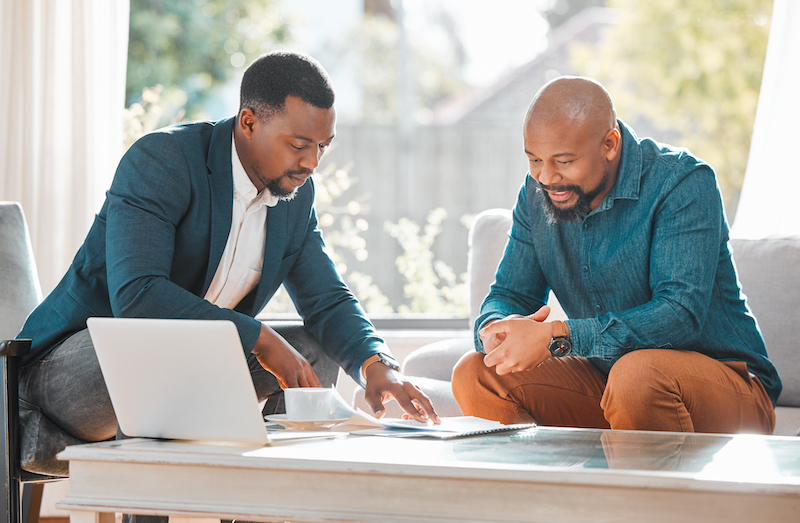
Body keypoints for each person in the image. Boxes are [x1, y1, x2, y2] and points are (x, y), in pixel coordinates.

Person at [17, 51, 440, 453]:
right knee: (151, 349)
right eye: (298, 144)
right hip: (68, 368)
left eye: (323, 146)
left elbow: (327, 299)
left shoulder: (295, 197)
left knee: (315, 348)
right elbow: (137, 295)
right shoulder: (162, 160)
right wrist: (258, 337)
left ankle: (259, 503)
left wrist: (376, 364)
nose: (312, 163)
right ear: (249, 122)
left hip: (190, 365)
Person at [451, 76, 780, 434]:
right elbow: (510, 295)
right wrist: (494, 331)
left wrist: (557, 336)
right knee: (476, 373)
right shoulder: (536, 193)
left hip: (728, 386)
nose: (546, 177)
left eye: (563, 161)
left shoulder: (683, 182)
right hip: (611, 382)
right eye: (534, 160)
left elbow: (680, 313)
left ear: (609, 144)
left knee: (636, 375)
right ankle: (546, 490)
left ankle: (636, 491)